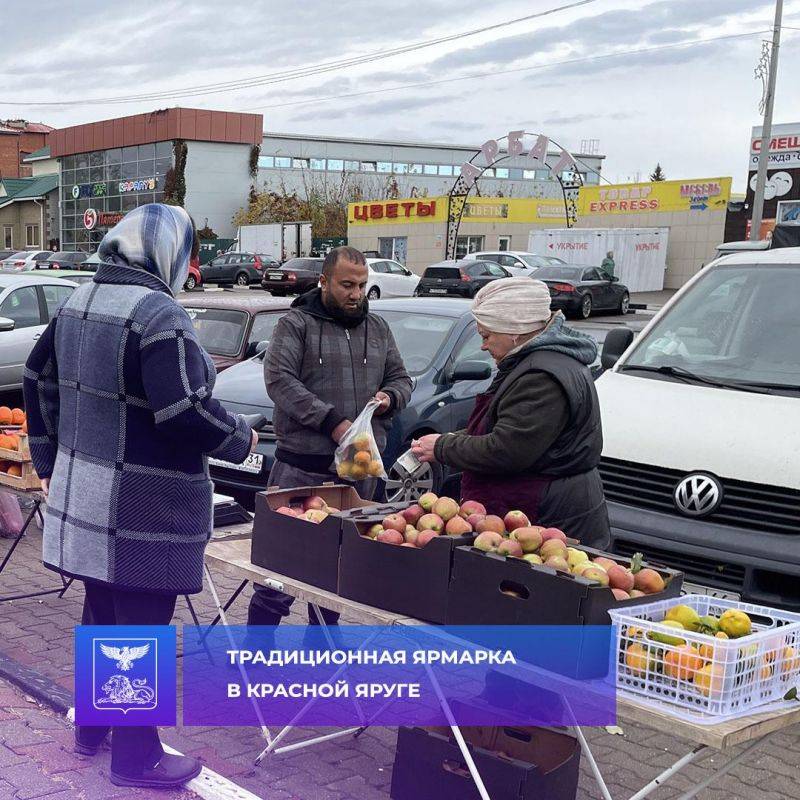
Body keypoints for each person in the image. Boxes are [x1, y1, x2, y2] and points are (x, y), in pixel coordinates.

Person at [23, 204, 258, 789]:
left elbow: (36, 381)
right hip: (143, 505)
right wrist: (242, 439)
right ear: (170, 253)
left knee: (103, 613)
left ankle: (93, 728)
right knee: (141, 628)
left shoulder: (78, 301)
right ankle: (138, 757)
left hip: (85, 498)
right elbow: (184, 410)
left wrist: (49, 458)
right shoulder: (160, 314)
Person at [247, 245, 412, 628]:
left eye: (362, 285)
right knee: (283, 568)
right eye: (346, 285)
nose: (356, 294)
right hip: (301, 473)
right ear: (324, 281)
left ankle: (321, 645)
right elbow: (279, 381)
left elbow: (401, 378)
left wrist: (391, 397)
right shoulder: (296, 324)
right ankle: (258, 648)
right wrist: (332, 422)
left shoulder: (378, 329)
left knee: (340, 567)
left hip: (358, 474)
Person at [411, 277, 609, 547]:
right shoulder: (538, 362)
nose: (483, 345)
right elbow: (501, 428)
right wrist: (452, 439)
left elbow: (507, 450)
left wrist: (443, 447)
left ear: (514, 331)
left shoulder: (540, 377)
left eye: (486, 335)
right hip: (545, 508)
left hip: (549, 517)